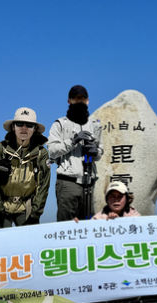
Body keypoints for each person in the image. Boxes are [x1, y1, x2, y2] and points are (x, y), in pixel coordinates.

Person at [0, 107, 50, 228]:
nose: (24, 128)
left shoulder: (41, 153)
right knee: (3, 244)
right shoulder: (0, 149)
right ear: (13, 127)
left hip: (27, 209)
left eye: (29, 125)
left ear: (34, 129)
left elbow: (43, 186)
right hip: (1, 207)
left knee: (29, 244)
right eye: (20, 124)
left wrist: (35, 213)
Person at [48, 85, 103, 221]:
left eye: (82, 99)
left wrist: (95, 151)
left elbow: (101, 150)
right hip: (68, 183)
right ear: (69, 101)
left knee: (89, 227)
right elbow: (52, 151)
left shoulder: (95, 125)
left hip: (90, 183)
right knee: (66, 227)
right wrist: (73, 140)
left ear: (87, 101)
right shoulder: (60, 124)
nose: (79, 101)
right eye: (76, 98)